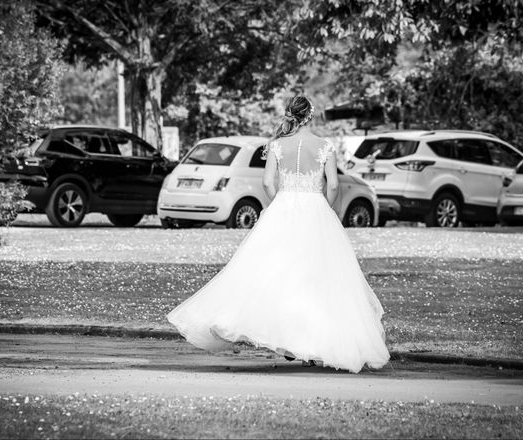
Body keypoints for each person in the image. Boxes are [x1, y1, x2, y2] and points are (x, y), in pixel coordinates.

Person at [167, 95, 389, 373]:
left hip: (283, 207)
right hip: (315, 210)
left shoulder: (277, 146)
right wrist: (326, 208)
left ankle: (289, 341)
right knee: (318, 278)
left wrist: (279, 203)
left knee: (278, 274)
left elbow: (267, 182)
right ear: (311, 116)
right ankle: (313, 345)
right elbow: (333, 186)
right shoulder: (325, 146)